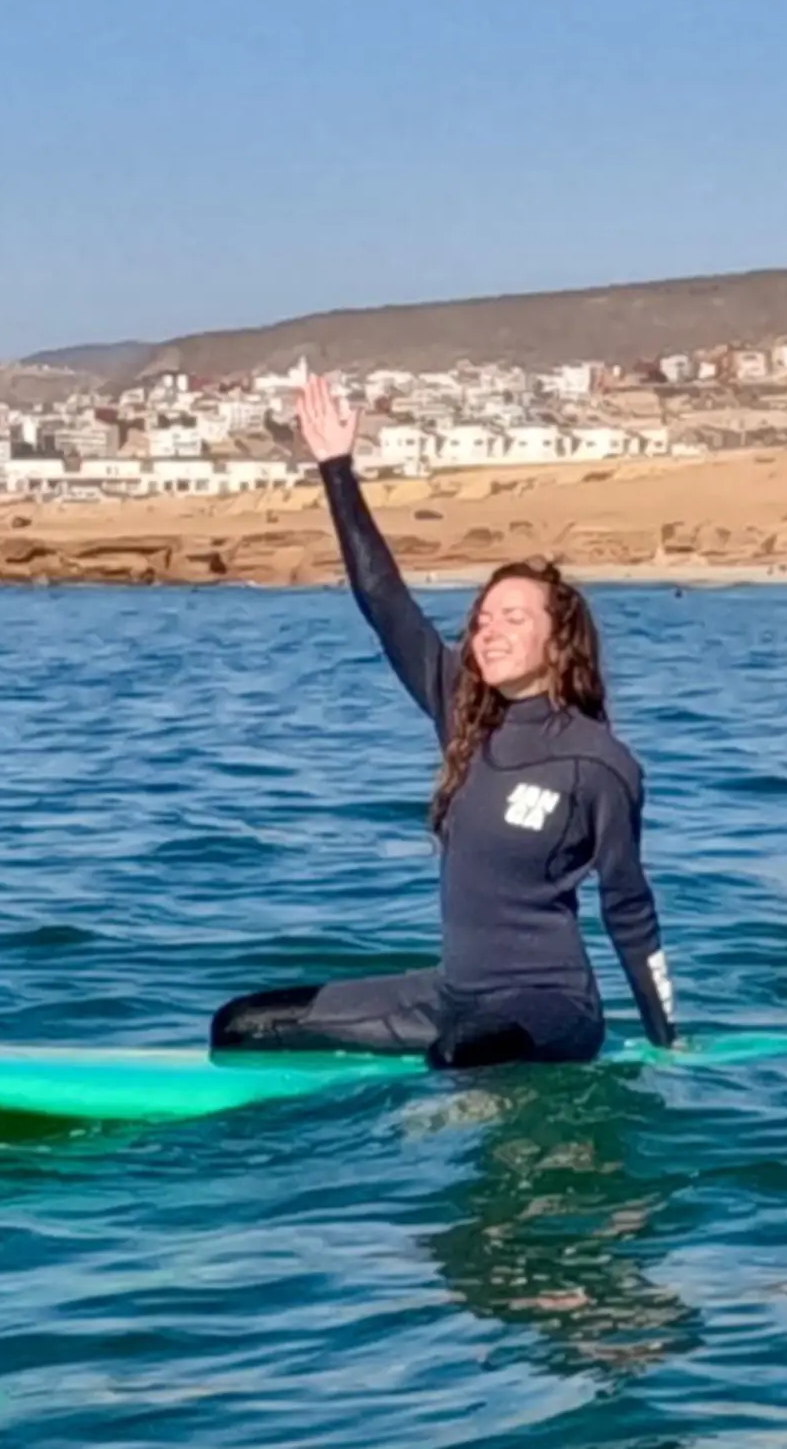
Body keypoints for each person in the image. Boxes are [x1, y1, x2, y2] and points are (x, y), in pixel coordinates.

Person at [210, 375, 678, 1068]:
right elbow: (383, 599)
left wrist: (668, 1044)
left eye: (513, 619)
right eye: (482, 619)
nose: (488, 632)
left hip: (550, 1007)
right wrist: (336, 468)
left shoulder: (596, 762)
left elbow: (628, 907)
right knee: (242, 1027)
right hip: (449, 997)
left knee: (462, 1054)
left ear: (559, 641)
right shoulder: (464, 711)